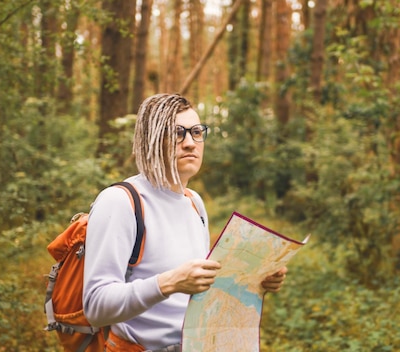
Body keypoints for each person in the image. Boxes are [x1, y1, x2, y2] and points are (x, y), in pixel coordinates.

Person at [83, 93, 288, 352]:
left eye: (196, 132)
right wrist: (168, 283)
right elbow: (95, 306)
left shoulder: (194, 202)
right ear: (152, 139)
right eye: (177, 133)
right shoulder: (121, 202)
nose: (190, 143)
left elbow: (197, 291)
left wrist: (256, 280)